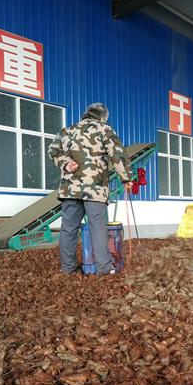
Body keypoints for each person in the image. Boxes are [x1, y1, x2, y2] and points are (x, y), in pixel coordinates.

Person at [48, 103, 132, 275]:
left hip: (70, 189)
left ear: (85, 114)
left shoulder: (67, 131)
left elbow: (52, 150)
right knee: (97, 228)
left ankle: (68, 269)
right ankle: (103, 269)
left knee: (69, 229)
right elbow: (117, 156)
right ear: (103, 117)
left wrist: (65, 162)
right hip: (95, 189)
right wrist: (126, 178)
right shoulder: (104, 129)